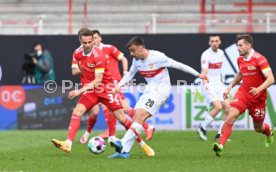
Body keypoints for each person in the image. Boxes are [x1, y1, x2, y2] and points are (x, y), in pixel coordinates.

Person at [52, 30, 154, 157]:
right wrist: (83, 73)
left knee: (123, 119)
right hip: (91, 91)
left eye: (90, 42)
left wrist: (80, 90)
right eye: (85, 42)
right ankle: (68, 143)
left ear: (93, 41)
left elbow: (98, 80)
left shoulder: (99, 55)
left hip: (105, 89)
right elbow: (74, 71)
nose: (88, 45)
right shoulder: (77, 53)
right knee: (77, 112)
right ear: (80, 41)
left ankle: (143, 145)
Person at [108, 36, 207, 158]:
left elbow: (179, 65)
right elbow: (130, 74)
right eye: (130, 51)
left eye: (133, 50)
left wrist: (197, 74)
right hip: (149, 90)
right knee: (136, 119)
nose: (131, 53)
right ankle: (124, 152)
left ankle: (122, 143)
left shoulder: (158, 57)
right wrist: (118, 86)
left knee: (140, 116)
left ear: (141, 47)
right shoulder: (136, 60)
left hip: (161, 91)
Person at [79, 30, 155, 144]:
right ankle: (142, 127)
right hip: (105, 83)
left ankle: (114, 133)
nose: (93, 41)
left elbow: (123, 59)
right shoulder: (92, 53)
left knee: (116, 107)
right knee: (123, 108)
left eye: (95, 38)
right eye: (92, 38)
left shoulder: (109, 48)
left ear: (100, 38)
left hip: (113, 82)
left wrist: (125, 73)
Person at [213, 34, 275, 157]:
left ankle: (269, 132)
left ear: (248, 45)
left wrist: (259, 89)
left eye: (240, 45)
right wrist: (230, 87)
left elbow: (271, 79)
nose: (238, 48)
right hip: (243, 94)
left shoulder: (260, 59)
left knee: (258, 128)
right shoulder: (240, 59)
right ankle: (220, 145)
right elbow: (241, 74)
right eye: (237, 45)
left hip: (258, 98)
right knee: (231, 115)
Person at [197, 35, 230, 141]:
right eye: (212, 41)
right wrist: (205, 84)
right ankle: (202, 127)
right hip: (208, 84)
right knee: (218, 107)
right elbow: (204, 71)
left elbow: (219, 71)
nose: (214, 43)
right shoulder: (206, 54)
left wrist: (222, 85)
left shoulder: (221, 53)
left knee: (228, 108)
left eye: (216, 41)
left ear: (219, 42)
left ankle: (220, 134)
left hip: (218, 84)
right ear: (209, 43)